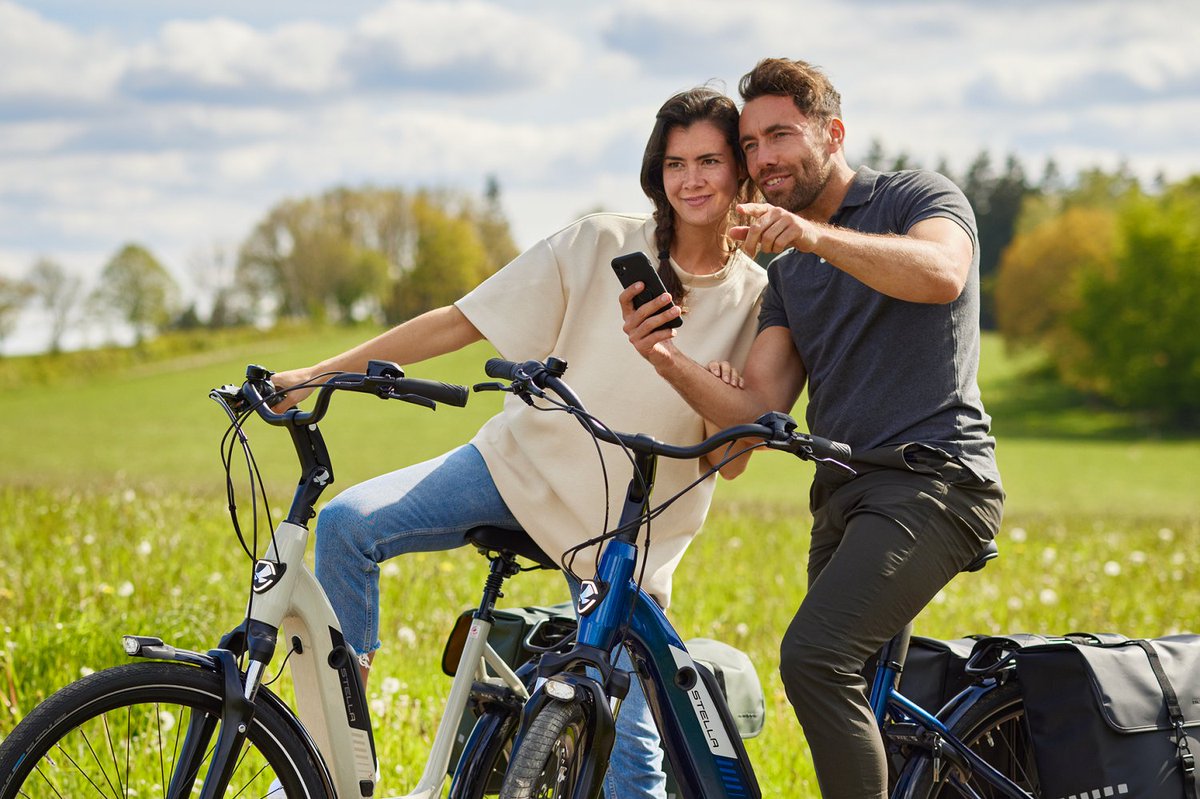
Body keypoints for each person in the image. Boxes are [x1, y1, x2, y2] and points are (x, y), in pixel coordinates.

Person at [270, 86, 767, 799]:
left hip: (621, 537)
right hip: (516, 467)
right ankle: (327, 763)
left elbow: (733, 462)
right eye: (674, 163)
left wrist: (715, 392)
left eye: (709, 161)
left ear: (739, 171)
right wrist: (317, 373)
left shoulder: (757, 299)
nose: (691, 180)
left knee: (633, 762)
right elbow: (461, 320)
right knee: (348, 524)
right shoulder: (599, 242)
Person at [619, 59, 1004, 799]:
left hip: (936, 482)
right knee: (852, 694)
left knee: (815, 660)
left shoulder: (914, 197)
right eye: (751, 144)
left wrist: (814, 236)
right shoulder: (790, 273)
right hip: (842, 496)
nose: (762, 158)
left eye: (780, 136)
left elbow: (941, 273)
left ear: (833, 133)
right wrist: (664, 356)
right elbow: (759, 407)